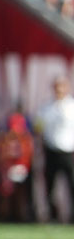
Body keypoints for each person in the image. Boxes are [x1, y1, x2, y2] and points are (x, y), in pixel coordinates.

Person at [38, 78, 74, 223]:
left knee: (71, 184)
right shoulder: (46, 108)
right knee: (50, 185)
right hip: (51, 150)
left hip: (68, 151)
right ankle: (52, 216)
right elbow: (39, 128)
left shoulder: (71, 106)